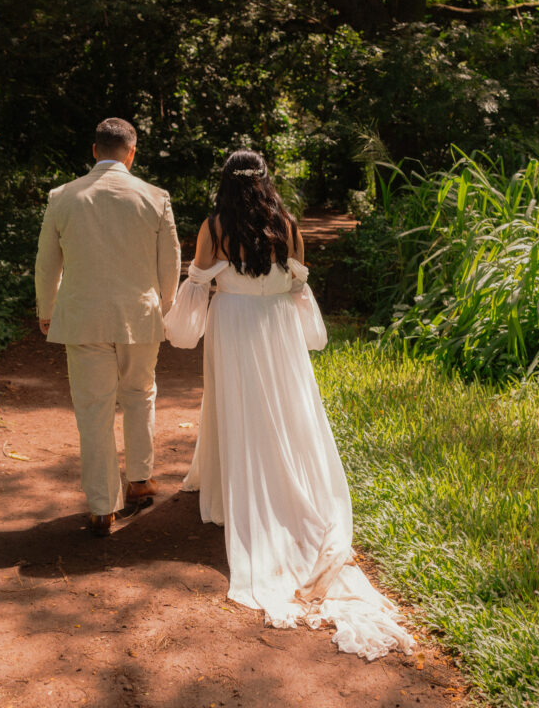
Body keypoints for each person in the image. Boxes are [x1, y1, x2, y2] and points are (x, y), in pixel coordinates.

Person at [164, 149, 414, 660]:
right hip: (276, 328)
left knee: (239, 408)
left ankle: (237, 489)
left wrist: (208, 288)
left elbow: (199, 279)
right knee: (286, 408)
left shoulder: (214, 226)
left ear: (225, 182)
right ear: (265, 180)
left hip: (233, 325)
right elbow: (299, 282)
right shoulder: (288, 225)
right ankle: (285, 488)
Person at [35, 117, 181, 536]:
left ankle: (102, 506)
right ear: (132, 153)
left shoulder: (63, 196)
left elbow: (47, 263)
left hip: (83, 316)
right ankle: (139, 480)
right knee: (140, 394)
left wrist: (48, 308)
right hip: (140, 314)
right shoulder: (155, 197)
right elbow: (169, 264)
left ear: (95, 150)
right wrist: (164, 309)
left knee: (93, 410)